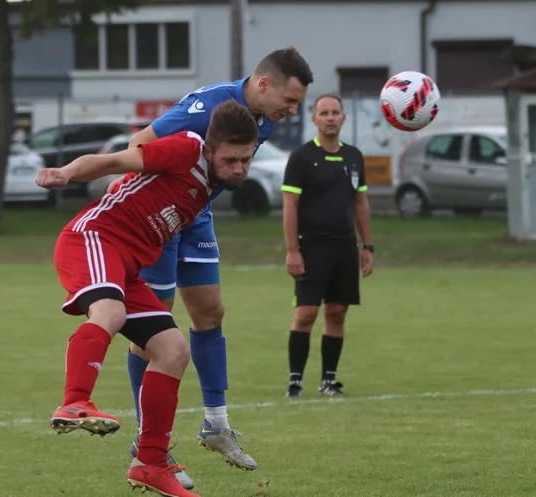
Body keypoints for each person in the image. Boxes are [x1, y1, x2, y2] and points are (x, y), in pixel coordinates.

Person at [40, 100, 259, 497]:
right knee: (111, 310)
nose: (240, 168)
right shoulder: (186, 149)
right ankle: (74, 402)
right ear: (210, 150)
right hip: (93, 238)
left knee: (173, 350)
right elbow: (111, 163)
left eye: (247, 159)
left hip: (128, 264)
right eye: (232, 159)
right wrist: (66, 172)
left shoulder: (213, 181)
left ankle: (151, 463)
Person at [120, 47, 313, 484]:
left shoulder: (261, 119)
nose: (293, 109)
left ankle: (216, 424)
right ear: (264, 84)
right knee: (153, 326)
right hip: (161, 218)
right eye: (291, 99)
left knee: (210, 312)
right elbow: (140, 144)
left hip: (197, 216)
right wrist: (143, 215)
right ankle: (150, 441)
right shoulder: (205, 109)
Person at [281, 93, 374, 398]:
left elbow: (361, 204)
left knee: (337, 313)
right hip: (312, 248)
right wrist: (293, 250)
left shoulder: (354, 157)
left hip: (345, 248)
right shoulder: (302, 158)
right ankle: (295, 382)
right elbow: (290, 206)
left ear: (343, 117)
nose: (331, 117)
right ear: (314, 119)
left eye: (335, 112)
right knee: (306, 313)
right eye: (325, 113)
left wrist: (367, 247)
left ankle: (328, 381)